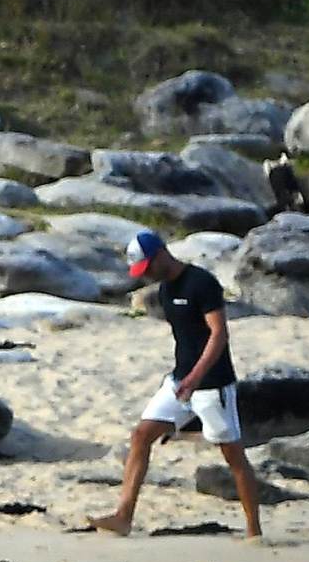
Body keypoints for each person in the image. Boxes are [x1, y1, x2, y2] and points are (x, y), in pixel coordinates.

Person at [88, 226, 258, 540]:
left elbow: (218, 334)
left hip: (212, 384)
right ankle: (123, 516)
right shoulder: (164, 291)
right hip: (179, 383)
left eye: (148, 267)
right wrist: (182, 378)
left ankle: (253, 531)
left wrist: (196, 378)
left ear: (161, 254)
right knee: (141, 435)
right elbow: (186, 340)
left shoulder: (202, 283)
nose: (147, 274)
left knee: (232, 455)